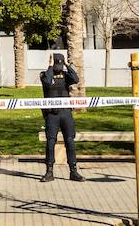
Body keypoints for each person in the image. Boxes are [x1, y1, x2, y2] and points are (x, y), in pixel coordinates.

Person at [39, 53, 85, 182]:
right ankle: (49, 172)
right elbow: (47, 82)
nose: (58, 67)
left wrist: (67, 65)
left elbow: (76, 79)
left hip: (66, 113)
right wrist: (49, 66)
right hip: (52, 114)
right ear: (52, 64)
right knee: (51, 142)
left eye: (60, 64)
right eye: (56, 64)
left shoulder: (66, 76)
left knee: (70, 140)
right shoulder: (45, 74)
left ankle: (73, 171)